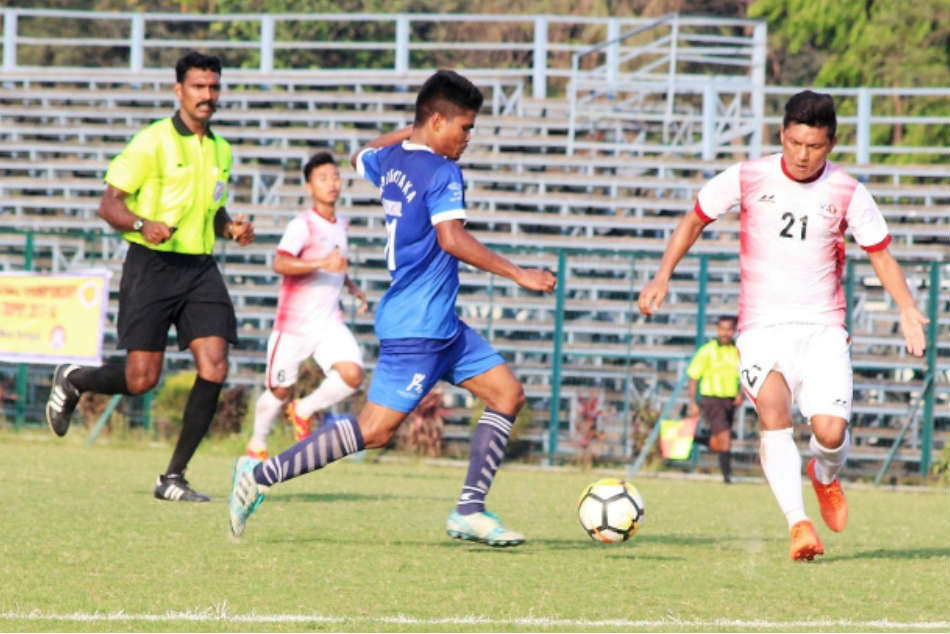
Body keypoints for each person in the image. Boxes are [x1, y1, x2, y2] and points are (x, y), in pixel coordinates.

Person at [228, 69, 557, 545]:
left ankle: (469, 510)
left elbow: (359, 154)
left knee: (507, 394)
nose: (468, 138)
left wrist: (414, 130)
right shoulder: (443, 171)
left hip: (442, 325)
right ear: (438, 120)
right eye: (464, 127)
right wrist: (519, 273)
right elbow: (451, 237)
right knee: (374, 430)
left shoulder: (391, 160)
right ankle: (259, 475)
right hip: (419, 326)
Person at [638, 90, 928, 561]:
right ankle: (799, 525)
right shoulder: (748, 176)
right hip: (762, 328)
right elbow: (694, 219)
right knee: (773, 414)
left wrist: (906, 308)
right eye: (794, 143)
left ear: (831, 144)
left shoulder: (848, 192)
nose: (802, 155)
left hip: (823, 329)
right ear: (781, 135)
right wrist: (662, 276)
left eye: (813, 146)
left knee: (830, 433)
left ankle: (825, 475)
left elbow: (879, 253)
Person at [44, 51, 255, 502]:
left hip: (200, 268)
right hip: (152, 266)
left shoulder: (221, 149)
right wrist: (143, 224)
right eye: (198, 87)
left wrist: (231, 229)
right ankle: (75, 379)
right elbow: (109, 205)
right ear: (179, 90)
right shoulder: (152, 141)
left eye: (214, 87)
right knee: (141, 380)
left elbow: (214, 212)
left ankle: (172, 478)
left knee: (215, 365)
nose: (208, 95)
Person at [244, 151, 368, 460]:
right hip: (294, 325)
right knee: (279, 390)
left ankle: (304, 410)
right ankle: (257, 444)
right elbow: (280, 263)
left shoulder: (340, 225)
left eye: (335, 177)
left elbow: (335, 264)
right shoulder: (302, 225)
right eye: (323, 178)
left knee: (353, 374)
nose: (332, 183)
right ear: (309, 187)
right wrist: (321, 263)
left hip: (328, 322)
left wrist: (352, 288)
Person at [686, 315, 743, 483]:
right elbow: (693, 377)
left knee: (720, 441)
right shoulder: (707, 350)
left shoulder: (738, 351)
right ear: (718, 330)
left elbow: (744, 374)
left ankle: (692, 438)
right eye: (722, 329)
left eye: (729, 329)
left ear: (734, 331)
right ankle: (727, 479)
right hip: (711, 399)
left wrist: (740, 392)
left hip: (730, 401)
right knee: (725, 438)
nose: (725, 333)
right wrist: (693, 402)